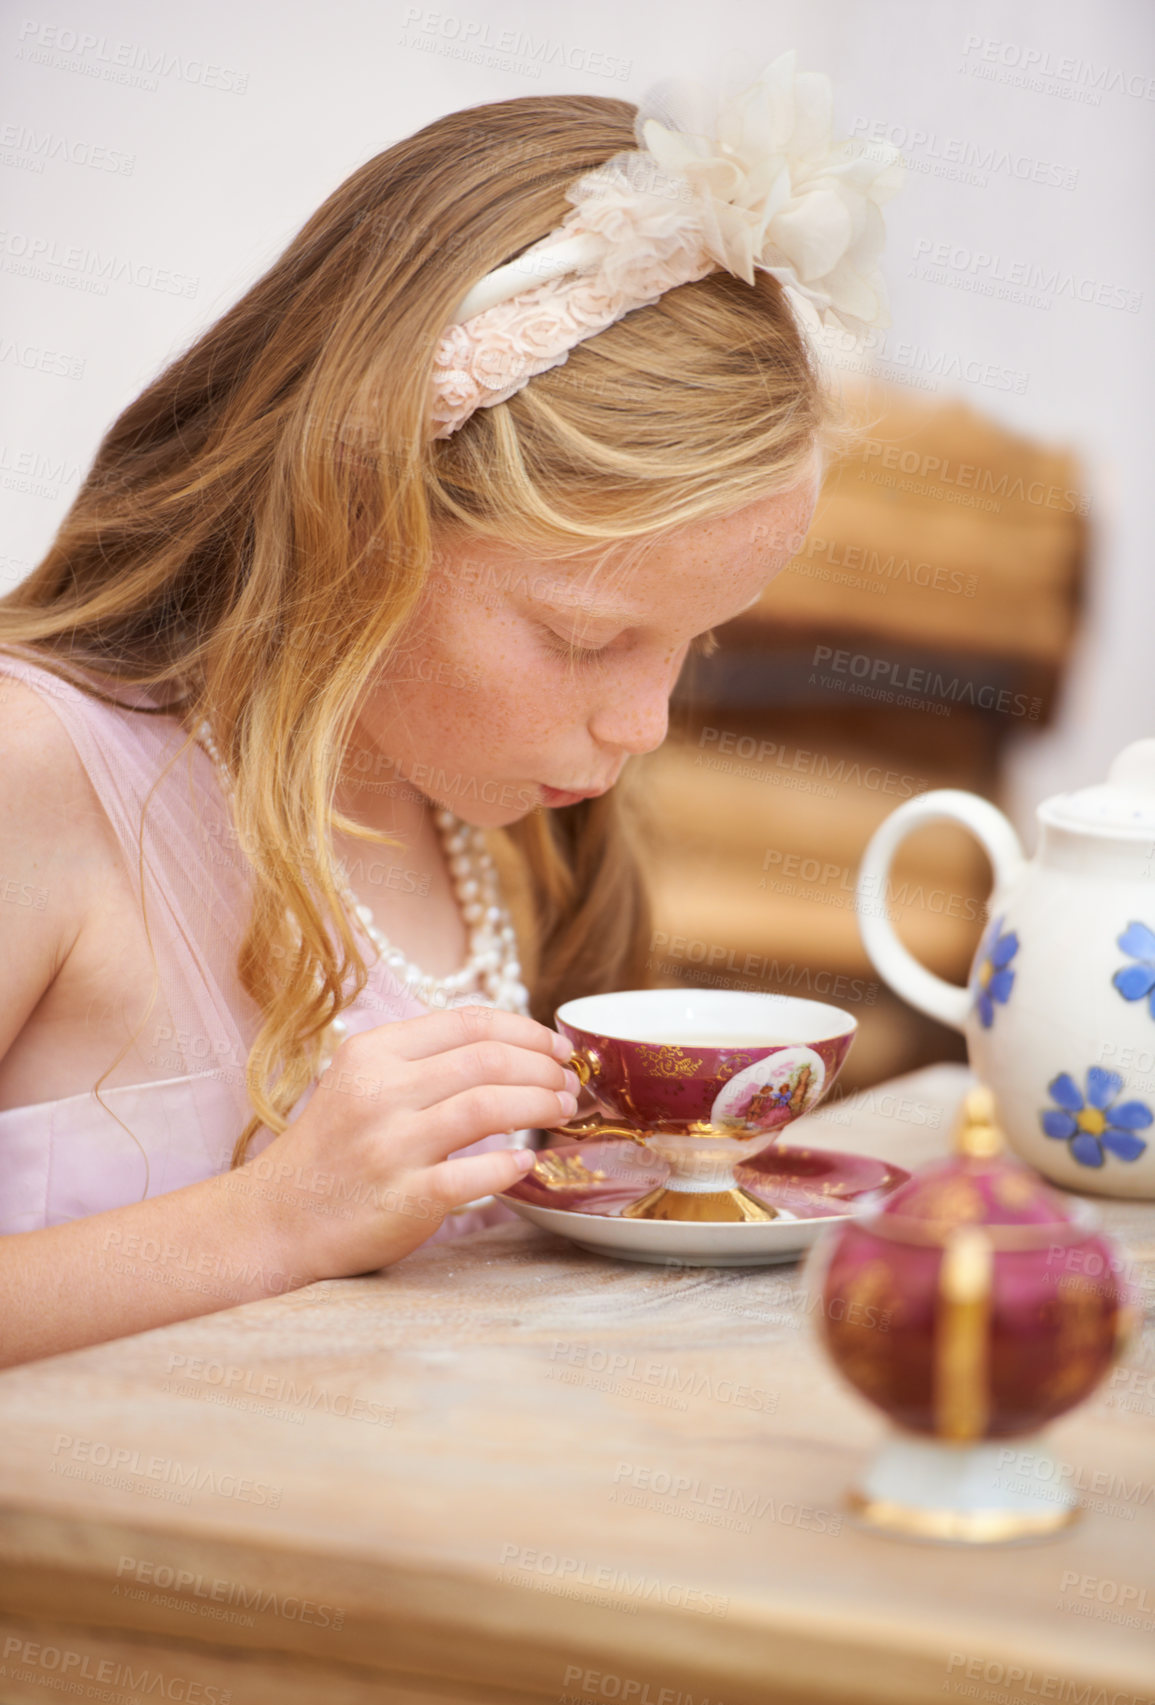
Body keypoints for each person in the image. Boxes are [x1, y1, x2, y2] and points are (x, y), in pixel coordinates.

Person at [0, 53, 901, 1365]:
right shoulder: (42, 777)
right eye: (584, 638)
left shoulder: (506, 831)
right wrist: (268, 1223)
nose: (644, 725)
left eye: (694, 646)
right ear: (359, 521)